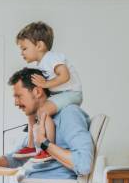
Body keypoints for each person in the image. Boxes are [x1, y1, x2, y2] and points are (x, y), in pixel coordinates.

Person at [14, 21, 83, 162]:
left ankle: (48, 149)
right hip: (59, 94)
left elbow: (65, 76)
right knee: (32, 113)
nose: (21, 53)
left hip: (71, 93)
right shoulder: (41, 63)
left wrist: (46, 83)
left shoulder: (52, 58)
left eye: (24, 48)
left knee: (43, 111)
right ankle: (31, 145)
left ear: (39, 45)